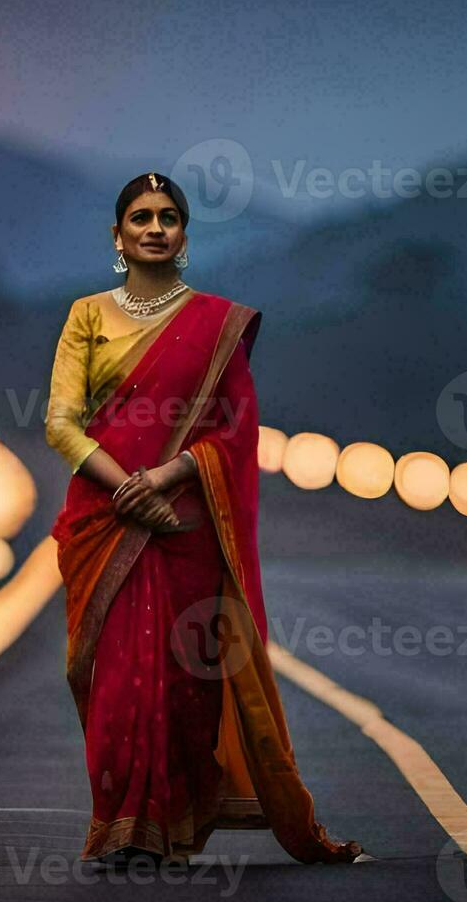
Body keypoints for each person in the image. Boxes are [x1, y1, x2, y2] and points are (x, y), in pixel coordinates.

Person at [46, 171, 362, 866]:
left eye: (168, 217)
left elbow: (235, 432)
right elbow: (62, 423)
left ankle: (174, 828)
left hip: (187, 523)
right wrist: (126, 488)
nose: (154, 228)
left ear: (183, 235)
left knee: (189, 684)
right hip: (108, 520)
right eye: (140, 217)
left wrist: (165, 475)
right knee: (118, 683)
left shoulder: (216, 324)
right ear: (118, 235)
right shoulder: (88, 316)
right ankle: (122, 823)